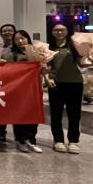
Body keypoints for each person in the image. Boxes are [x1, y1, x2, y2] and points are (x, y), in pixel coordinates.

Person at [47, 23, 83, 154]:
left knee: (74, 114)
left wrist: (91, 57)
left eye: (62, 30)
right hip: (56, 84)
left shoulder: (74, 47)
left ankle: (73, 141)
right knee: (56, 114)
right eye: (56, 30)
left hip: (75, 83)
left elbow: (82, 64)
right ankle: (58, 140)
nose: (59, 32)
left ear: (67, 32)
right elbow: (45, 66)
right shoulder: (48, 48)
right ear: (52, 32)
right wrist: (47, 78)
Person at [9, 30, 42, 153]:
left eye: (22, 38)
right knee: (20, 116)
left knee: (34, 115)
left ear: (28, 38)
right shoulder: (12, 54)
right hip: (18, 90)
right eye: (17, 39)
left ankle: (31, 140)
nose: (20, 41)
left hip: (34, 88)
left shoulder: (37, 52)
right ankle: (20, 140)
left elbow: (44, 68)